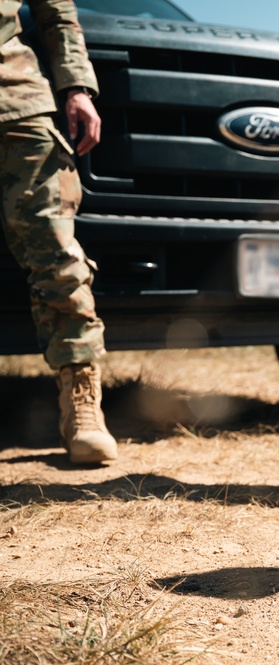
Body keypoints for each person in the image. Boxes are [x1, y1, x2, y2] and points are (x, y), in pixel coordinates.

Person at [1, 0, 117, 464]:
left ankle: (82, 404)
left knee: (55, 252)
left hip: (15, 99)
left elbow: (57, 11)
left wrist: (76, 86)